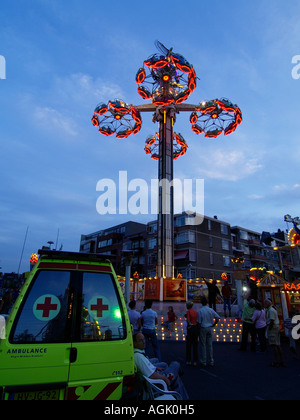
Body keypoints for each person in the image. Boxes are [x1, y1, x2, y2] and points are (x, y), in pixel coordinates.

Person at [133, 332, 189, 399]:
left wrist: (155, 368)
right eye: (140, 341)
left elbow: (148, 369)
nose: (144, 342)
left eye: (144, 339)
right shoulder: (139, 357)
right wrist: (164, 378)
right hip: (160, 380)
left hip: (156, 376)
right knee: (176, 364)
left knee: (173, 374)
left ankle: (180, 394)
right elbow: (152, 375)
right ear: (134, 343)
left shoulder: (138, 354)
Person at [197, 296, 220, 367]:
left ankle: (203, 361)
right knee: (210, 345)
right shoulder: (210, 310)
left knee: (203, 344)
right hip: (210, 327)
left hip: (203, 327)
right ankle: (211, 360)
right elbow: (217, 317)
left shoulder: (200, 311)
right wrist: (214, 324)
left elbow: (199, 322)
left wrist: (198, 330)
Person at [265, 299, 285, 367]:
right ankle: (281, 361)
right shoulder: (273, 309)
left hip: (273, 328)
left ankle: (276, 361)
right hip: (276, 327)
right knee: (278, 344)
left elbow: (272, 320)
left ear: (268, 303)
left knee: (274, 345)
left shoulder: (270, 310)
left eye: (265, 303)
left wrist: (269, 328)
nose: (264, 305)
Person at [185, 302, 198, 366]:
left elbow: (188, 320)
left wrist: (189, 325)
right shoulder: (195, 312)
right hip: (195, 327)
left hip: (191, 328)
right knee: (195, 345)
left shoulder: (188, 312)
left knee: (189, 344)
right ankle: (195, 360)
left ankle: (189, 360)